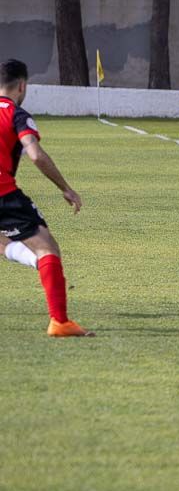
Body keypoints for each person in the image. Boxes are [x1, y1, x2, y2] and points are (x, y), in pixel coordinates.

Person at [0, 59, 92, 337]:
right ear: (22, 85)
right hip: (4, 193)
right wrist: (65, 187)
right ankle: (60, 321)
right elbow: (36, 154)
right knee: (47, 249)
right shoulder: (17, 114)